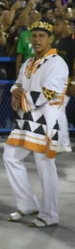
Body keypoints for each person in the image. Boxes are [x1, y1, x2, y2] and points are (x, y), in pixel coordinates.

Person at [4, 19, 67, 228]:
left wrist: (21, 96)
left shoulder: (57, 62)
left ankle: (50, 215)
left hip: (46, 121)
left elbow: (50, 93)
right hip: (26, 120)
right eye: (34, 35)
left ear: (50, 39)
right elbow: (18, 83)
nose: (37, 39)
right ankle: (28, 204)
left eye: (41, 36)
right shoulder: (29, 62)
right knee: (10, 156)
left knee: (45, 165)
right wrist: (14, 91)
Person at [52, 17, 73, 153]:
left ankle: (62, 144)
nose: (55, 27)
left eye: (57, 25)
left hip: (67, 81)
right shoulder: (55, 42)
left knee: (58, 111)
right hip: (55, 81)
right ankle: (64, 143)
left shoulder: (72, 43)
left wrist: (74, 83)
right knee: (59, 111)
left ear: (65, 26)